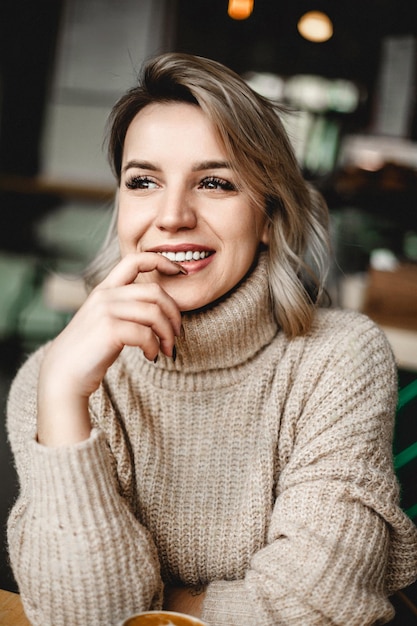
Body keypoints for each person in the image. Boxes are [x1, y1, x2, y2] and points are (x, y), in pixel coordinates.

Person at [6, 52, 417, 626]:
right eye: (143, 181)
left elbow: (319, 606)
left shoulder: (338, 357)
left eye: (216, 182)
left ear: (270, 216)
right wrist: (62, 401)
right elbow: (77, 616)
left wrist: (155, 607)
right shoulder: (56, 378)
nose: (172, 215)